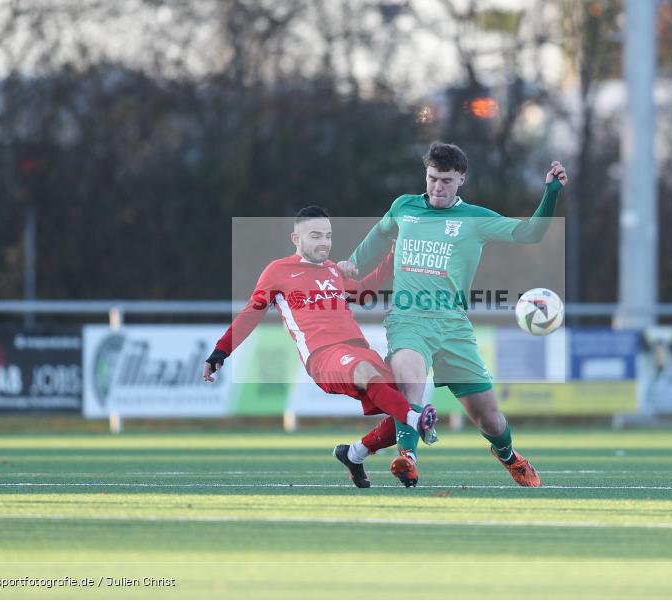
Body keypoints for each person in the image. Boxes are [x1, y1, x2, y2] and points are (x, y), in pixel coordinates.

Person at [339, 142, 567, 487]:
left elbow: (530, 233)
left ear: (461, 178)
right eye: (432, 179)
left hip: (454, 328)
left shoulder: (474, 219)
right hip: (408, 321)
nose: (437, 187)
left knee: (490, 421)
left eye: (446, 180)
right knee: (410, 387)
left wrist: (551, 192)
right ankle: (408, 459)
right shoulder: (404, 207)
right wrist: (353, 263)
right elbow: (379, 234)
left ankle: (508, 456)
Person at [203, 206, 437, 488]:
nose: (324, 242)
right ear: (295, 238)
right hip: (323, 356)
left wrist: (391, 258)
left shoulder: (331, 270)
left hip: (358, 348)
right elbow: (252, 313)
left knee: (401, 396)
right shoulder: (278, 271)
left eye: (328, 236)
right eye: (315, 236)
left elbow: (362, 294)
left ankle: (354, 453)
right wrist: (221, 350)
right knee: (392, 397)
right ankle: (415, 420)